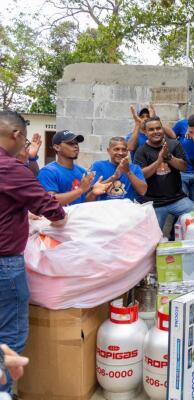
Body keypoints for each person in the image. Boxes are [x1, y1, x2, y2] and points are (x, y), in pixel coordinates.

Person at [0, 111, 67, 397]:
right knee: (9, 336)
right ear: (16, 135)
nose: (25, 146)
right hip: (5, 264)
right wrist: (60, 217)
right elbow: (53, 211)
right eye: (25, 140)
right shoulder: (11, 169)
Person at [134, 116, 194, 229]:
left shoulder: (174, 144)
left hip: (177, 199)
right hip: (154, 203)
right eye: (151, 129)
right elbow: (142, 175)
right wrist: (159, 161)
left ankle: (176, 237)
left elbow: (183, 167)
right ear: (145, 132)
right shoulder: (141, 151)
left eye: (158, 128)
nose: (156, 131)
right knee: (153, 235)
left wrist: (168, 157)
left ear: (162, 129)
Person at [38, 130, 111, 206]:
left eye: (76, 143)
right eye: (70, 143)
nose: (76, 146)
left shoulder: (82, 171)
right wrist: (80, 190)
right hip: (61, 214)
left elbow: (83, 202)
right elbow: (50, 202)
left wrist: (93, 193)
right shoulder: (48, 172)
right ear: (57, 147)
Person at [89, 137, 147, 201]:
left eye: (124, 150)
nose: (120, 153)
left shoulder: (135, 168)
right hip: (104, 206)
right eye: (116, 149)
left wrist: (128, 172)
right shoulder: (99, 165)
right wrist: (114, 177)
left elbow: (142, 191)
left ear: (127, 151)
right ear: (108, 150)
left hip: (126, 207)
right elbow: (94, 190)